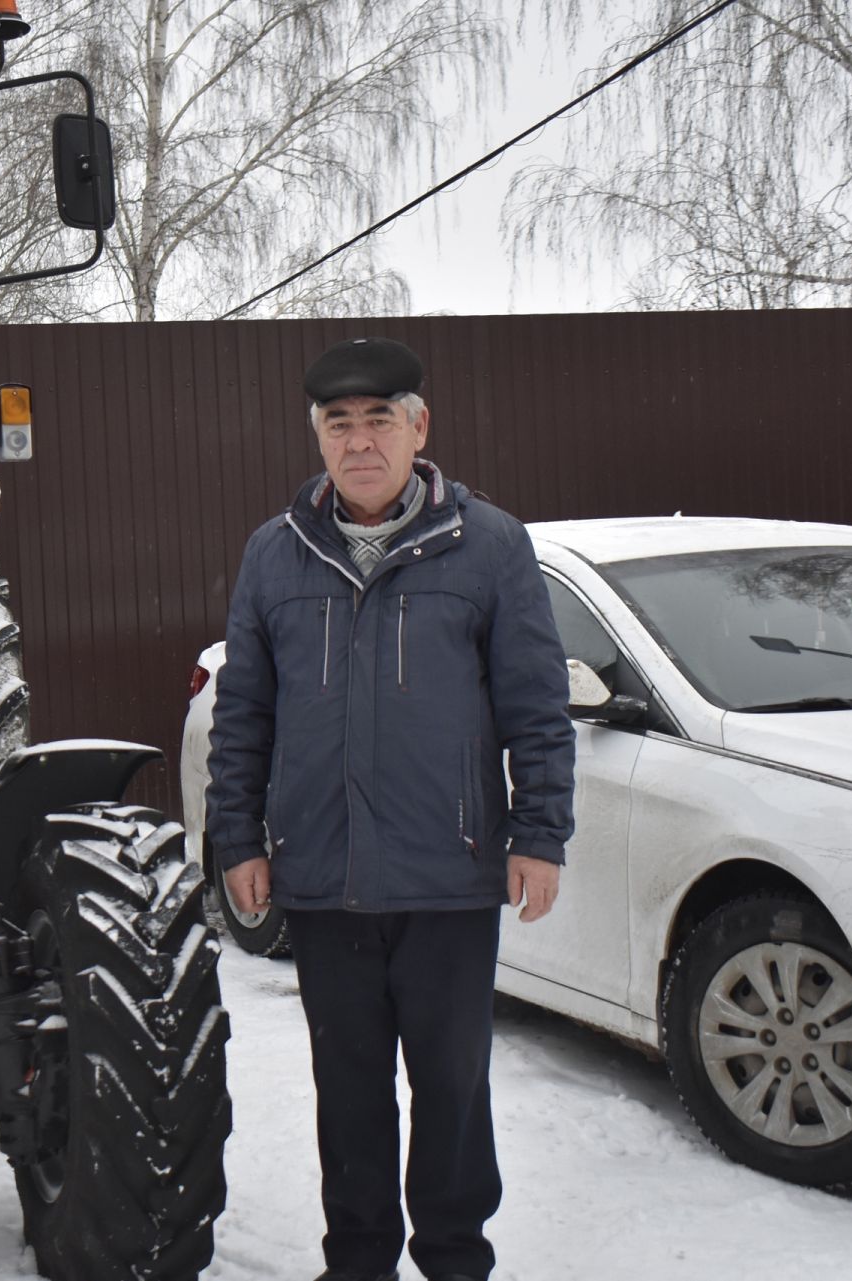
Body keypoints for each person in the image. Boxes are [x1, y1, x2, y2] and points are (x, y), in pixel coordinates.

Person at [205, 336, 576, 1281]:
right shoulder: (273, 555)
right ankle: (358, 1261)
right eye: (340, 423)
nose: (359, 441)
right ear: (317, 438)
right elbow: (243, 713)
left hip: (448, 877)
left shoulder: (489, 545)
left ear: (420, 428)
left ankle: (455, 1259)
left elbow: (535, 704)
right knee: (350, 1089)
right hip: (324, 879)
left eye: (379, 420)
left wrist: (538, 833)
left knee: (453, 1088)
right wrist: (237, 838)